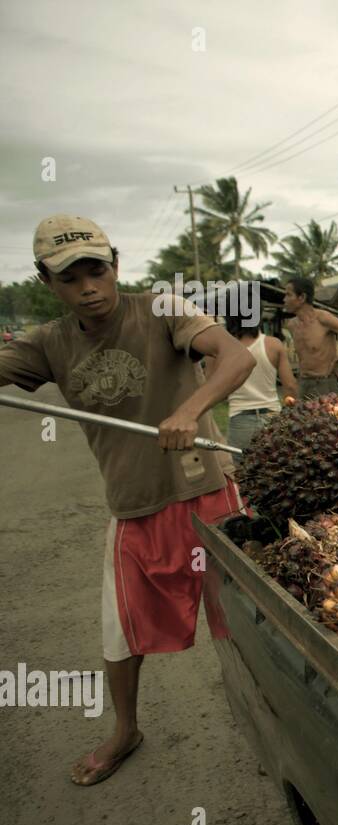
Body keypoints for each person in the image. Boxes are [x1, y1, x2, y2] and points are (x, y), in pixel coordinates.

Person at [0, 214, 255, 785]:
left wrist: (190, 410)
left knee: (241, 621)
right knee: (119, 634)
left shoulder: (162, 309)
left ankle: (272, 720)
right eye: (71, 278)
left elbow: (236, 358)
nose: (89, 286)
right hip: (134, 505)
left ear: (116, 264)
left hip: (207, 493)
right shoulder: (48, 343)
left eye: (98, 269)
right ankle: (125, 731)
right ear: (47, 283)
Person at [281, 275, 338, 400]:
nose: (284, 299)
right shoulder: (292, 325)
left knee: (329, 418)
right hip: (303, 383)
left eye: (288, 295)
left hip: (325, 383)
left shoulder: (323, 318)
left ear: (302, 297)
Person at [222, 308, 297, 450]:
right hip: (272, 417)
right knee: (276, 466)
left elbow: (216, 389)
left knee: (243, 469)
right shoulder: (273, 345)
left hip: (240, 419)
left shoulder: (223, 348)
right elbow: (291, 386)